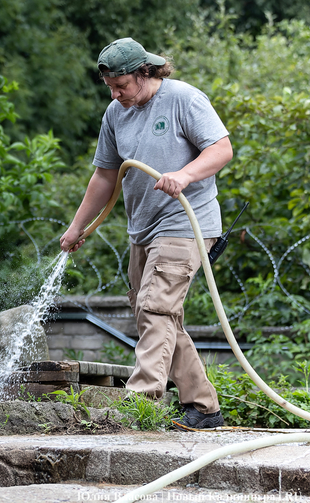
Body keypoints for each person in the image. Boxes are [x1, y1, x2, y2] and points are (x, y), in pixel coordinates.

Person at [60, 37, 233, 430]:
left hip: (185, 223)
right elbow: (105, 176)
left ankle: (139, 407)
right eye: (110, 87)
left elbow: (221, 149)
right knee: (155, 315)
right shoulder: (115, 114)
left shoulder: (183, 99)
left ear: (144, 72)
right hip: (143, 228)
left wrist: (184, 175)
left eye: (121, 85)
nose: (115, 94)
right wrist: (76, 226)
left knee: (155, 308)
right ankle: (204, 408)